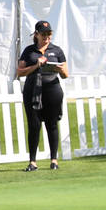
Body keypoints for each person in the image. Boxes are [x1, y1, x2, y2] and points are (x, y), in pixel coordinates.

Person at [16, 21, 69, 170]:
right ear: (37, 34)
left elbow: (66, 74)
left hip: (52, 87)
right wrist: (36, 65)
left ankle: (54, 160)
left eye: (49, 34)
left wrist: (58, 69)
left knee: (52, 124)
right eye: (44, 34)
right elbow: (20, 72)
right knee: (34, 124)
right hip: (33, 88)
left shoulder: (56, 50)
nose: (46, 37)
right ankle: (32, 161)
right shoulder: (29, 50)